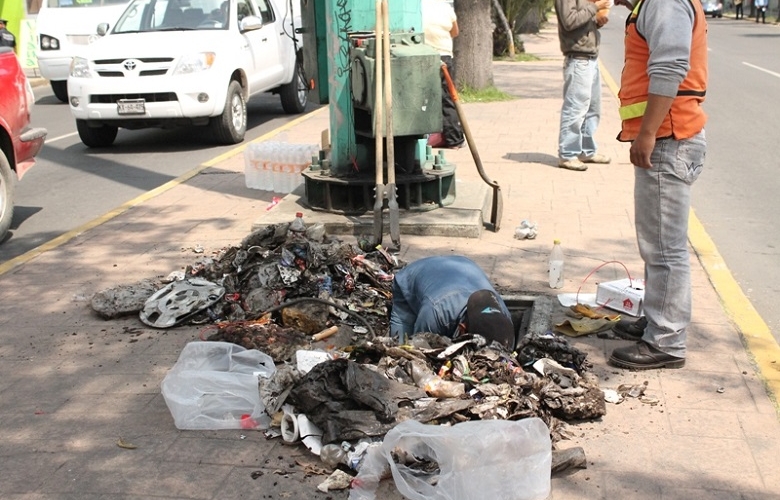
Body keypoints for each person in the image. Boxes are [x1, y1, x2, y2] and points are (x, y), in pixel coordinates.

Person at [609, 0, 708, 370]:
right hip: (667, 135)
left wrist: (647, 133)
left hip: (668, 136)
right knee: (657, 243)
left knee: (665, 247)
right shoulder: (650, 4)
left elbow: (670, 67)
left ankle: (666, 340)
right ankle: (657, 319)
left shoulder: (663, 3)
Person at [389, 255, 515, 349]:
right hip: (413, 277)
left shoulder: (504, 318)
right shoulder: (435, 313)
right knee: (402, 348)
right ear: (462, 328)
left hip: (463, 266)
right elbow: (420, 349)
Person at [553, 0, 612, 172]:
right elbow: (570, 21)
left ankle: (586, 150)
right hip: (578, 59)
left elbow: (581, 22)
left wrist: (596, 22)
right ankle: (568, 154)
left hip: (590, 58)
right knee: (575, 109)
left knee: (592, 109)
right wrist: (595, 7)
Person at [422, 0, 465, 149]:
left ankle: (423, 139)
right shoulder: (446, 8)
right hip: (444, 56)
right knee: (447, 97)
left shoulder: (418, 8)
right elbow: (455, 32)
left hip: (423, 56)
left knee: (423, 98)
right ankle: (454, 139)